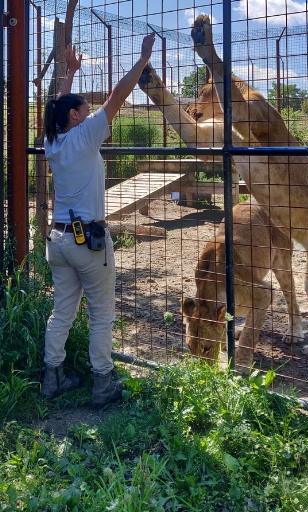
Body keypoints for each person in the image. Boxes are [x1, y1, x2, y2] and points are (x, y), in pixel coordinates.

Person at [41, 34, 157, 406]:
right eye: (84, 109)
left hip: (57, 242)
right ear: (76, 117)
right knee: (102, 314)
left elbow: (58, 107)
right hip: (87, 242)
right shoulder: (86, 136)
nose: (91, 112)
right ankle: (103, 384)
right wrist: (141, 61)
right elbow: (117, 97)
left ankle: (52, 376)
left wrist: (70, 74)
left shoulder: (53, 143)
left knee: (62, 311)